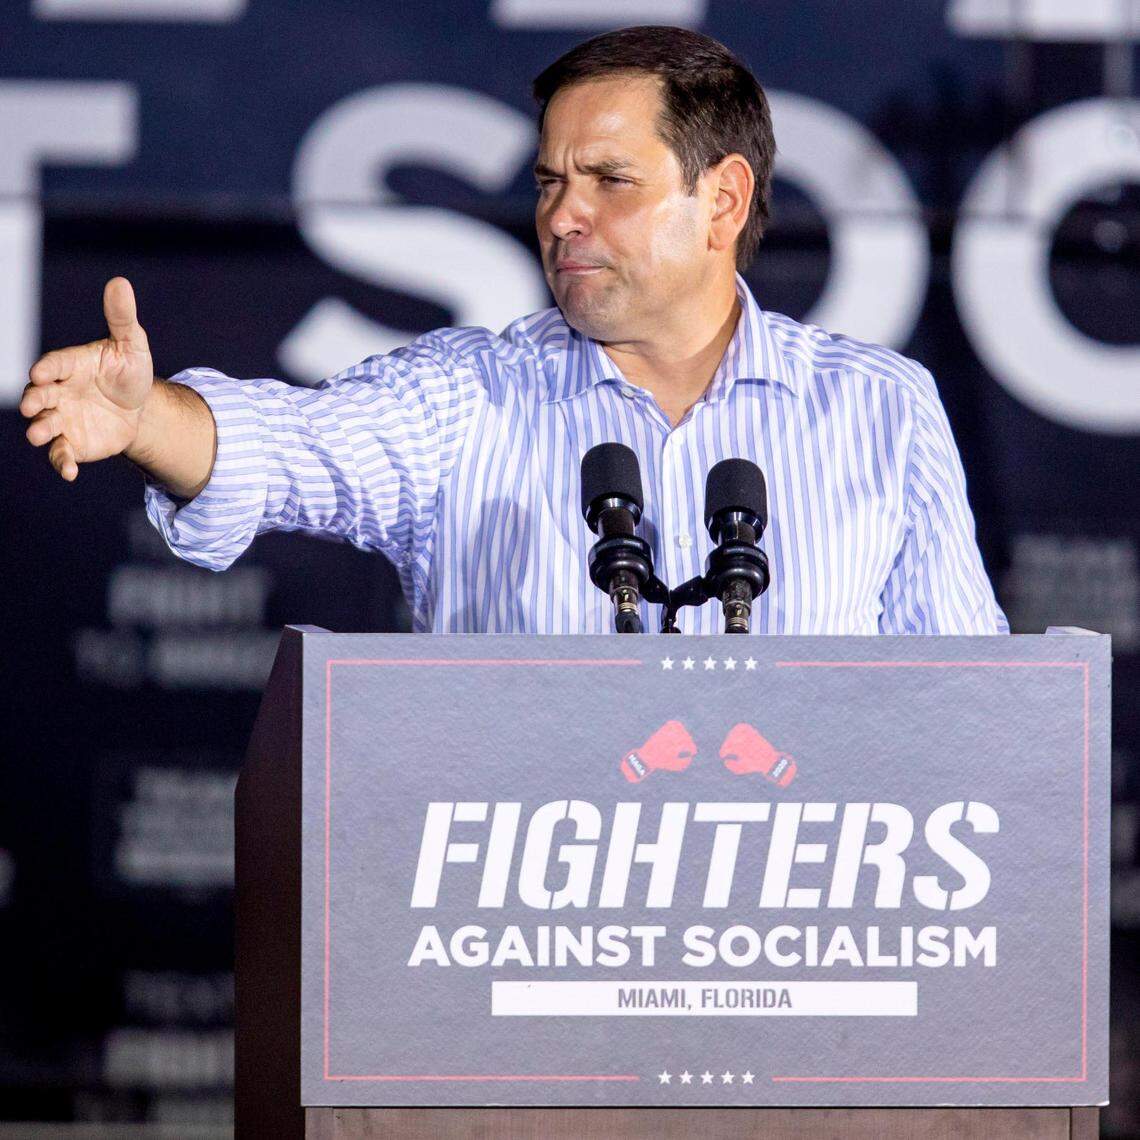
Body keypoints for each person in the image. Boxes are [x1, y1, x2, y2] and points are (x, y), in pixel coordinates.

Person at [20, 26, 1008, 637]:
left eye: (609, 181)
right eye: (549, 182)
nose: (561, 215)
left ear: (723, 200)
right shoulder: (469, 397)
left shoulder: (880, 408)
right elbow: (288, 449)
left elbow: (972, 714)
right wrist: (149, 419)